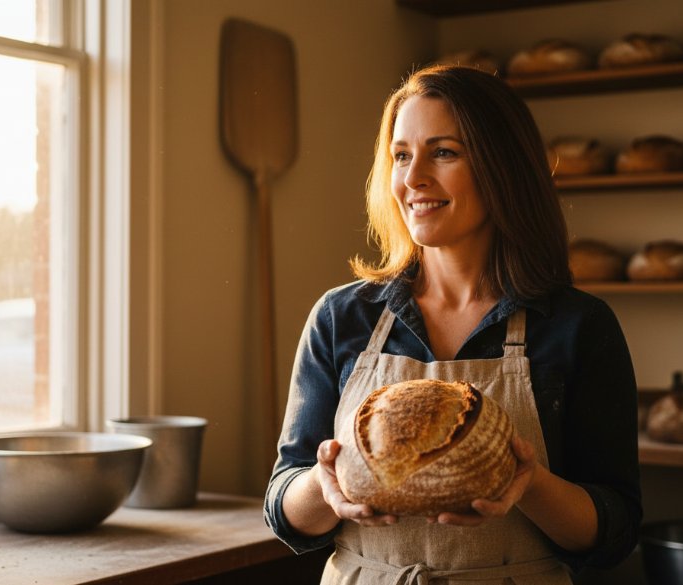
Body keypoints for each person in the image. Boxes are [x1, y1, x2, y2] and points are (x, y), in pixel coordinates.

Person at [264, 64, 640, 584]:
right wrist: (325, 485)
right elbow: (283, 508)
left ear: (502, 167)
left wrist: (526, 483)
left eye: (443, 152)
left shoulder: (577, 326)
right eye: (400, 155)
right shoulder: (342, 317)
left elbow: (613, 532)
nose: (413, 177)